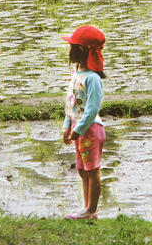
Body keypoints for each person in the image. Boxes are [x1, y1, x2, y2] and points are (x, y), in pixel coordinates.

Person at [61, 25, 107, 220]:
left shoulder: (92, 78)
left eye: (72, 46)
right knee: (82, 169)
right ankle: (86, 206)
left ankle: (91, 210)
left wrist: (78, 129)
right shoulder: (76, 73)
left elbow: (92, 108)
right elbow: (71, 103)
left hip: (90, 129)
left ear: (81, 51)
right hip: (78, 128)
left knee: (92, 169)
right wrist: (67, 126)